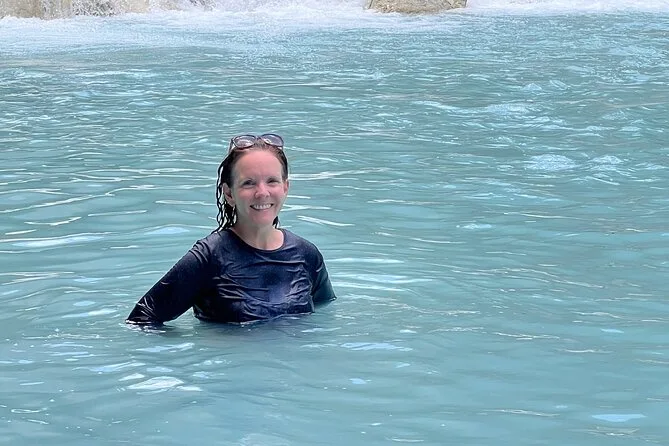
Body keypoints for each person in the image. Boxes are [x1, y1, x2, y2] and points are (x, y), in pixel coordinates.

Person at [126, 133, 336, 326]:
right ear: (229, 194)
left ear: (285, 188)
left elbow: (325, 315)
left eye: (272, 181)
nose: (262, 193)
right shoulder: (209, 257)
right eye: (248, 183)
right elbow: (142, 319)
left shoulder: (307, 255)